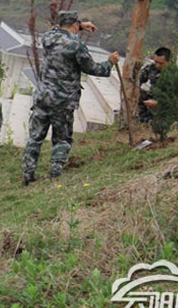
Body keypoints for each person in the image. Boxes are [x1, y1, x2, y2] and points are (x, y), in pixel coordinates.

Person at [21, 11, 120, 185]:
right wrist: (110, 62)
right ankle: (56, 169)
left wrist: (78, 25)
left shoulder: (48, 38)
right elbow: (93, 69)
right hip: (63, 99)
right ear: (75, 25)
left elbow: (57, 29)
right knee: (62, 137)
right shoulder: (75, 44)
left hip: (43, 96)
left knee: (35, 136)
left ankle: (28, 172)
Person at [138, 47, 171, 122]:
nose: (157, 65)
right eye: (156, 62)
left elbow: (176, 99)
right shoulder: (152, 68)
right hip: (152, 97)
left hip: (165, 105)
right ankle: (141, 119)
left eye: (161, 63)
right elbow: (138, 79)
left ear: (169, 62)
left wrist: (158, 103)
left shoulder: (175, 75)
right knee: (138, 93)